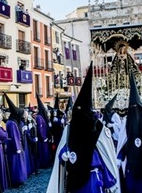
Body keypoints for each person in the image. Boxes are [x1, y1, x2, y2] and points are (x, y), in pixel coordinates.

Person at [47, 61, 120, 192]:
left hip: (94, 178)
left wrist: (110, 180)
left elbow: (106, 155)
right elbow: (64, 147)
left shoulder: (98, 128)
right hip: (76, 179)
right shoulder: (70, 128)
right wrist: (64, 155)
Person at [3, 93, 28, 187]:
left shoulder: (11, 122)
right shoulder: (12, 123)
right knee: (16, 165)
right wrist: (17, 147)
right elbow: (14, 136)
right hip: (14, 147)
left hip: (13, 146)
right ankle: (17, 180)